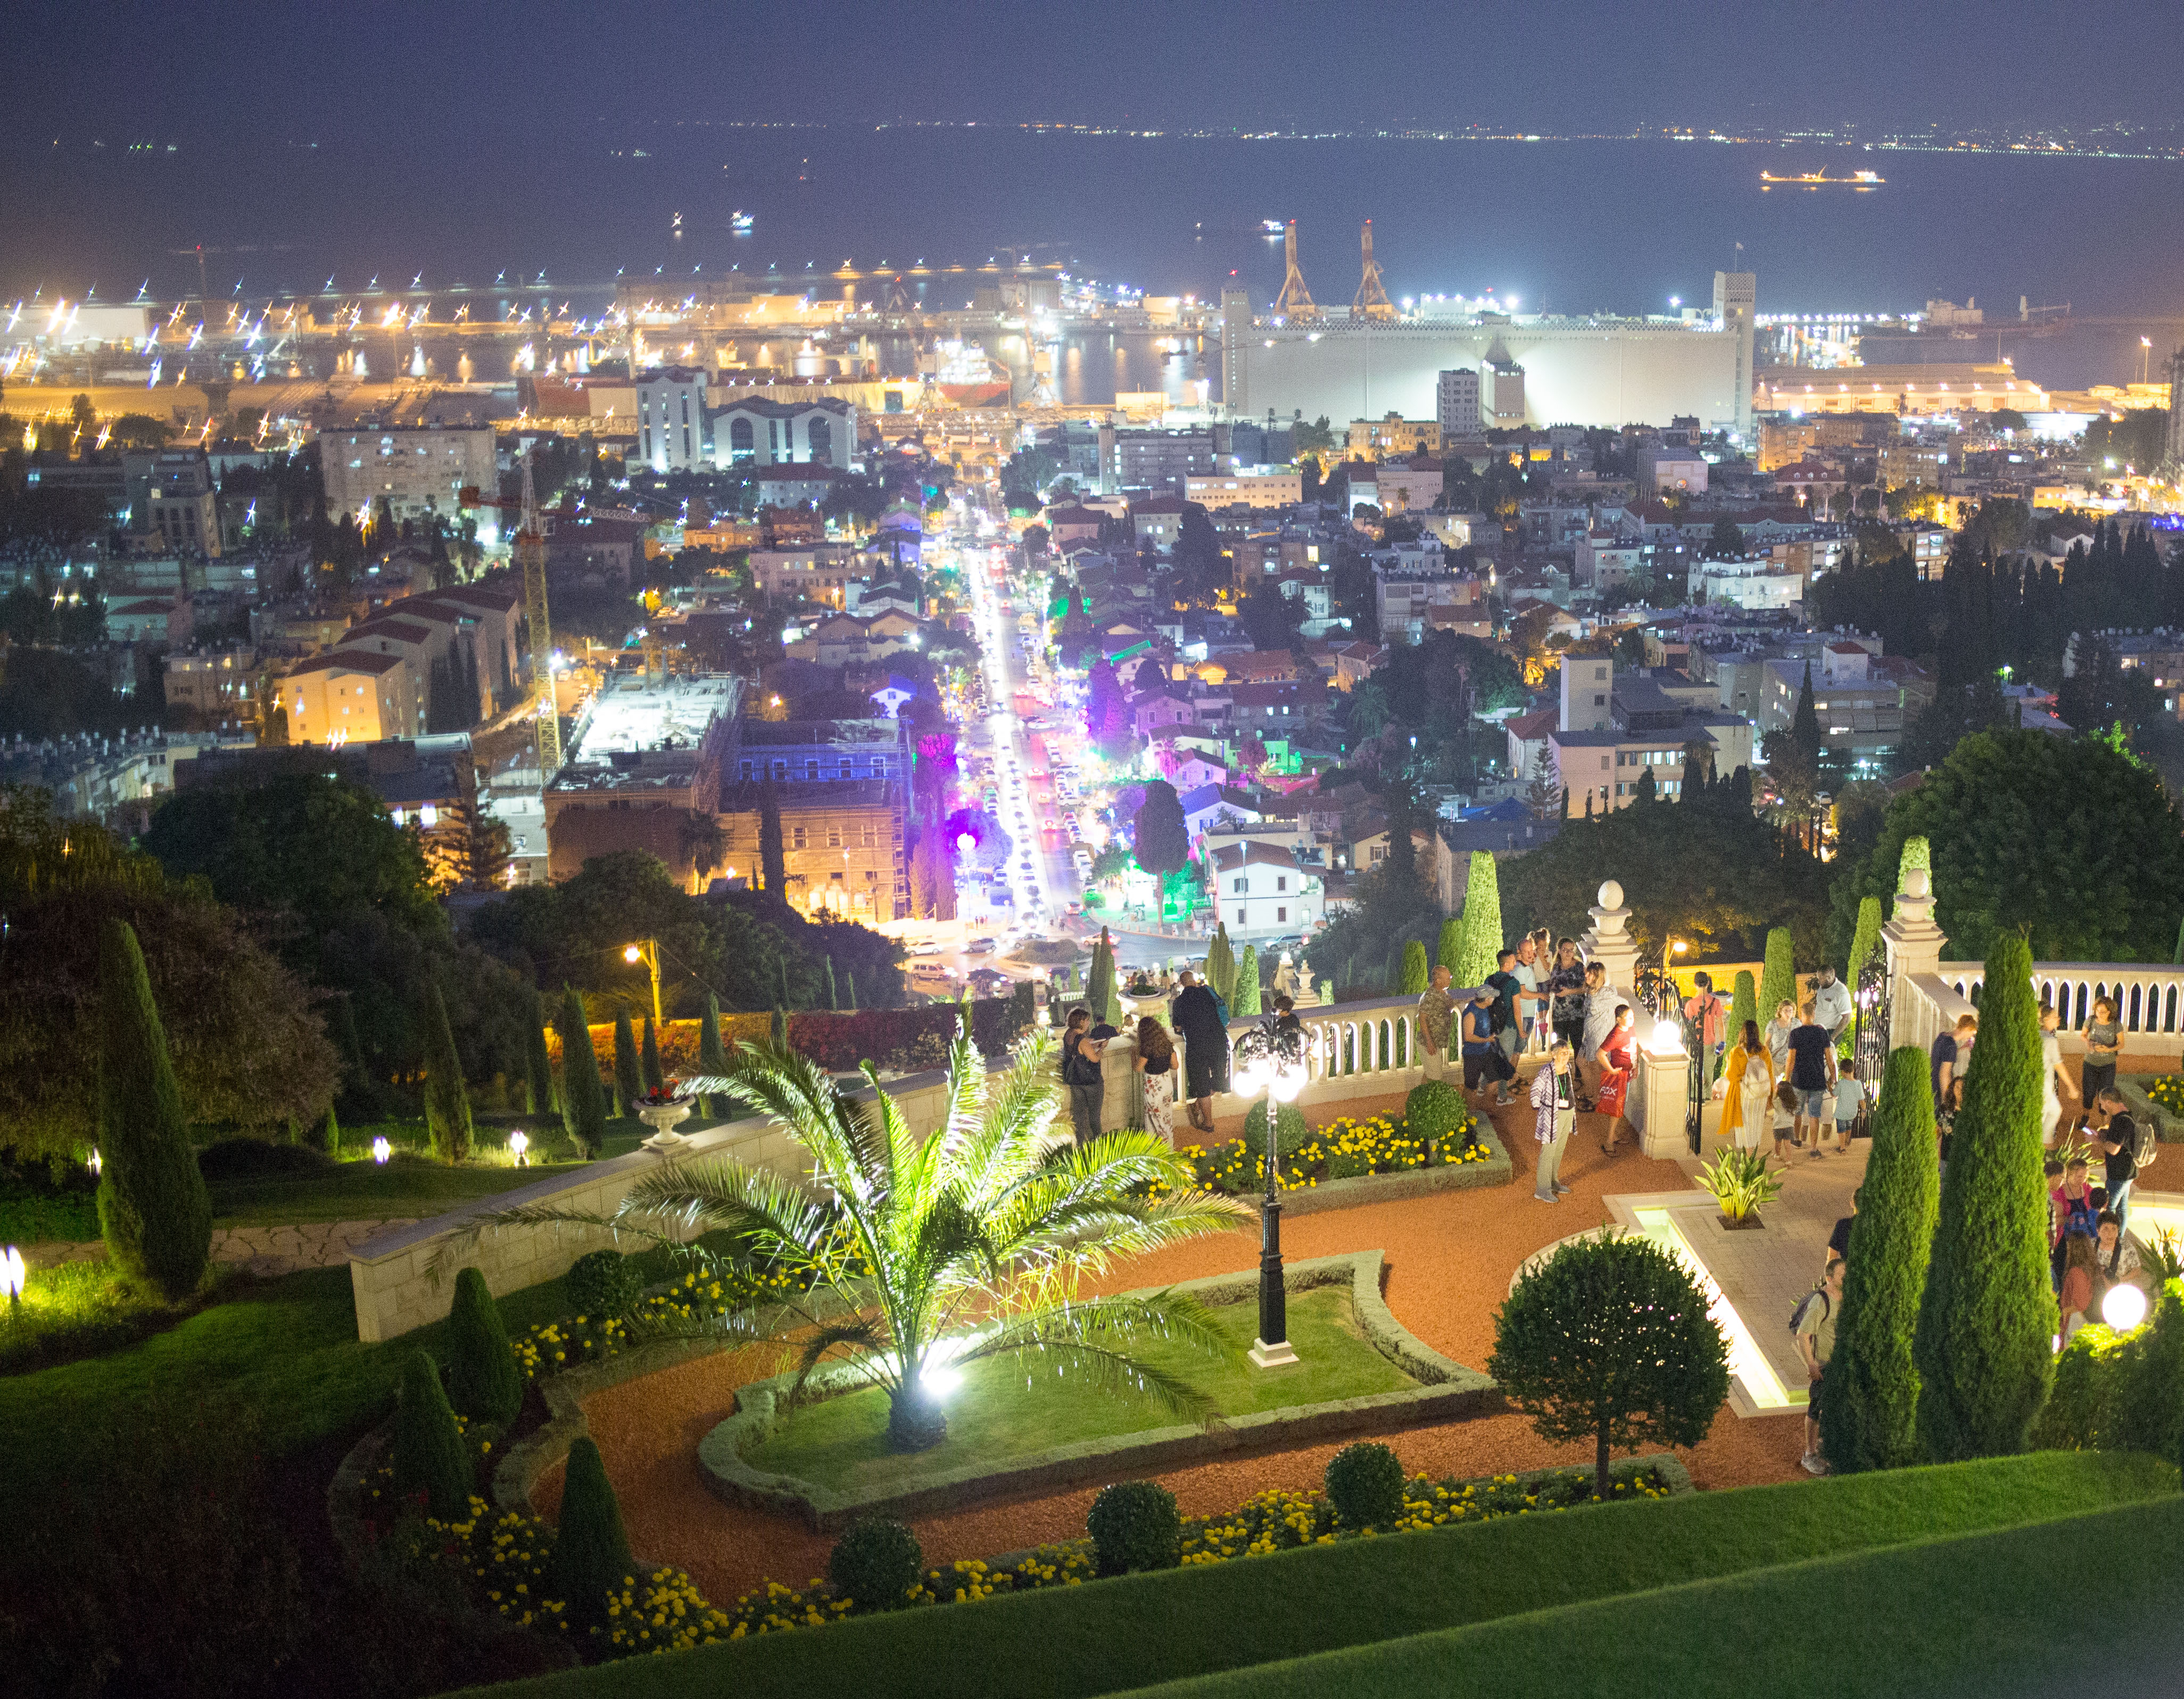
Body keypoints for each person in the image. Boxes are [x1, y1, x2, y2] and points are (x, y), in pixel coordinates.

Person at [1793, 1256, 1844, 1475]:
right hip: (1825, 1365)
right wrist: (1812, 1364)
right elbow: (1803, 1335)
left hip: (1842, 1362)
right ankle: (1810, 1454)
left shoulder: (1846, 1298)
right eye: (1843, 1275)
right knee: (1816, 1409)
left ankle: (1827, 1450)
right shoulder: (1821, 1302)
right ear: (1829, 1278)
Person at [1169, 969, 1229, 1135]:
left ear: (1181, 984)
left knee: (1201, 1083)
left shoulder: (1180, 1002)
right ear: (1195, 981)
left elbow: (1178, 1026)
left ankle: (1208, 1122)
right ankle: (1200, 1105)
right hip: (1218, 1041)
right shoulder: (1207, 992)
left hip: (1197, 1046)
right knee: (1217, 1080)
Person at [1784, 1000, 1838, 1159]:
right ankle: (1814, 1149)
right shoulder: (1822, 1033)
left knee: (1798, 1111)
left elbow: (1791, 1060)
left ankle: (1797, 1140)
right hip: (1817, 1079)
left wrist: (1787, 1080)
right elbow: (1829, 1058)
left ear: (1801, 1016)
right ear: (1814, 1015)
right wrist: (1833, 1078)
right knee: (1815, 1115)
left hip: (1799, 1079)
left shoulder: (1795, 1034)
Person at [1529, 1038, 1577, 1203]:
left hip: (1567, 1112)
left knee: (1559, 1149)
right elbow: (1535, 1090)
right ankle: (1542, 1190)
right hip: (1552, 1115)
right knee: (1548, 1151)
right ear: (1554, 1055)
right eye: (1563, 1053)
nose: (1566, 1056)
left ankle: (1553, 1182)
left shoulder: (1568, 1068)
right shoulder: (1546, 1071)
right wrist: (1540, 1107)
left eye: (1567, 1053)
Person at [1719, 1018, 1776, 1153]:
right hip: (1760, 1096)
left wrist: (1729, 1063)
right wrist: (1771, 1097)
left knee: (1744, 1126)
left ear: (1742, 1033)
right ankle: (1752, 1156)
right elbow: (1770, 1074)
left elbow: (1732, 1076)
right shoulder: (1764, 1051)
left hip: (1744, 1095)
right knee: (1756, 1126)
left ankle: (1748, 1159)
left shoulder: (1737, 1052)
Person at [2092, 1086, 2141, 1232]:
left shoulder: (2121, 1122)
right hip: (2127, 1172)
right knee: (2122, 1209)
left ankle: (2111, 1241)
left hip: (2119, 1174)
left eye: (2102, 1103)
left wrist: (2098, 1142)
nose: (2101, 1106)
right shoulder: (2123, 1115)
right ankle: (2119, 1239)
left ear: (2108, 1102)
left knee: (2110, 1209)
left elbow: (2114, 1149)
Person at [1461, 985, 1515, 1106]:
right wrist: (1487, 1039)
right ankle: (1466, 1112)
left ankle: (1482, 1107)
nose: (1494, 999)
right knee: (1470, 1087)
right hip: (1473, 1056)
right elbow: (1468, 1037)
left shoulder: (1484, 1008)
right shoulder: (1471, 1013)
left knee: (1495, 1078)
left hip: (1486, 1052)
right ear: (1486, 1000)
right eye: (1492, 997)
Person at [1594, 1004, 1637, 1156]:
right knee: (1617, 1108)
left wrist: (1635, 1067)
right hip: (1620, 1075)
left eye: (1633, 1016)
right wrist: (1611, 1070)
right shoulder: (1615, 1035)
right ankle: (1609, 1141)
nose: (1632, 1020)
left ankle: (1613, 1136)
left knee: (1620, 1106)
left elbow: (1633, 1048)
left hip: (1628, 1073)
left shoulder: (1630, 1029)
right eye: (1629, 1017)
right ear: (1619, 1020)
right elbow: (1600, 1054)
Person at [1061, 1008, 1106, 1144]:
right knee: (1094, 1115)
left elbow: (1078, 1051)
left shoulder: (1068, 1034)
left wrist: (1090, 1043)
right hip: (1090, 1082)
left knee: (1079, 1115)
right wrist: (1102, 1049)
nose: (1088, 1023)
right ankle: (1098, 1143)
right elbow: (1094, 1059)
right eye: (1086, 1020)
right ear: (1081, 1021)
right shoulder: (1082, 1040)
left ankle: (1080, 1144)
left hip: (1075, 1081)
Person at [1579, 962, 1618, 1104]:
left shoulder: (1605, 994)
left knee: (1595, 1067)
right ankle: (1592, 1093)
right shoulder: (1591, 992)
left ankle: (1596, 1098)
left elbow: (1621, 1003)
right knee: (1581, 1062)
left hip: (1599, 1036)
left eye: (1590, 974)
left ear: (1598, 976)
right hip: (1590, 1035)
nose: (1586, 975)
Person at [1134, 1015, 1176, 1142]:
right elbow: (1176, 1066)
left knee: (1154, 1117)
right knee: (1167, 1116)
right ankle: (1169, 1145)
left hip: (1153, 1087)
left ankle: (1160, 1149)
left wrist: (1133, 1056)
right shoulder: (1167, 1045)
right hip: (1167, 1083)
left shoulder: (1147, 1048)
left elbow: (1138, 1068)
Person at [2092, 1210, 2145, 1311]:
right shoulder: (2091, 1245)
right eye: (2105, 1229)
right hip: (2096, 1293)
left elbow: (2137, 1270)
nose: (2110, 1234)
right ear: (2098, 1231)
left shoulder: (2126, 1246)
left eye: (2114, 1229)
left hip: (2120, 1293)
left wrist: (2121, 1280)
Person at [1485, 949, 1527, 1071]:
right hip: (1508, 1026)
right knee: (1505, 1062)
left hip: (1491, 1024)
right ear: (1506, 964)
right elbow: (1517, 1009)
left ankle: (1483, 1089)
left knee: (1490, 1059)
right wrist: (1521, 1030)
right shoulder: (1513, 983)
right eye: (1513, 961)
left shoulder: (1489, 980)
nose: (1515, 963)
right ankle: (1502, 1091)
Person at [1546, 938, 1590, 1058]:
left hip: (1576, 1012)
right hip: (1559, 1013)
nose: (1568, 953)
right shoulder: (1556, 967)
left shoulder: (1579, 967)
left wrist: (1569, 992)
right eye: (1565, 950)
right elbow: (1552, 984)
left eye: (1571, 950)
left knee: (1577, 1045)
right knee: (1561, 1045)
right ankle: (1562, 1071)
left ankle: (1579, 1074)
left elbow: (1585, 988)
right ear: (1559, 951)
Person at [1415, 964, 1457, 1083]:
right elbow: (1422, 1019)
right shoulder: (1430, 996)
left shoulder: (1442, 993)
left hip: (1436, 1042)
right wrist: (1429, 1042)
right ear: (1438, 980)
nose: (1450, 978)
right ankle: (1430, 1099)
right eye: (1448, 977)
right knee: (1435, 1078)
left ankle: (1421, 1097)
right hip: (1429, 1043)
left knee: (1431, 1073)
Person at [1931, 1012, 1977, 1120]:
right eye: (1972, 1033)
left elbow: (1942, 1056)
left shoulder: (1943, 1037)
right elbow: (1944, 1074)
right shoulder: (1951, 1046)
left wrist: (1959, 1050)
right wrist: (1947, 1101)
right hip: (1939, 1090)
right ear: (1967, 1028)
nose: (1970, 1037)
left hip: (1932, 1082)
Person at [2056, 1228, 2099, 1342]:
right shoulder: (2091, 1268)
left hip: (2077, 1322)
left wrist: (2064, 1312)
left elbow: (2080, 1305)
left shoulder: (2076, 1272)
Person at [2038, 1003, 2072, 1148]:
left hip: (2045, 1085)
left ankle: (2047, 1145)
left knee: (2055, 1110)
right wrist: (2071, 1087)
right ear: (2045, 1020)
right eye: (2054, 1017)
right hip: (2044, 1087)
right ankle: (2044, 1148)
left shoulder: (2040, 1036)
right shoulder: (2049, 1040)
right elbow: (2058, 1064)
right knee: (2045, 1116)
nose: (2058, 1020)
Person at [2081, 997, 2121, 1111]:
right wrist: (2088, 1042)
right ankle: (2086, 1115)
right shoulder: (2091, 1021)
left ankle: (2105, 1123)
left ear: (2110, 1012)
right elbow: (2083, 1035)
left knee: (2106, 1093)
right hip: (2090, 1063)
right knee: (2088, 1092)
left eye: (2103, 1012)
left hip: (2108, 1065)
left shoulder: (2116, 1024)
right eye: (2097, 1011)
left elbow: (2121, 1044)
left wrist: (2108, 1050)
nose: (2099, 1014)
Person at [1683, 971, 1727, 1069]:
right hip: (1709, 1043)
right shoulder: (1715, 1002)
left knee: (1693, 1077)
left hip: (1695, 1043)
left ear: (1695, 984)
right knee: (1708, 1078)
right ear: (1708, 983)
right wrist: (1722, 1043)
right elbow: (1720, 1023)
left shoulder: (1690, 1004)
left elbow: (1686, 1026)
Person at [1512, 935, 1548, 1053]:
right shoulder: (1519, 969)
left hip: (1529, 1013)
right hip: (1522, 1015)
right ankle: (1510, 1071)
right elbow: (1522, 993)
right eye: (1526, 951)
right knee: (1517, 1049)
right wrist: (1540, 995)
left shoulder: (1527, 966)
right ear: (1519, 952)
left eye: (1531, 951)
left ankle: (1512, 1071)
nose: (1530, 954)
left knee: (1519, 1049)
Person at [1809, 964, 1853, 1046]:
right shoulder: (1824, 986)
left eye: (1820, 979)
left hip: (1829, 1032)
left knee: (1824, 1058)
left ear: (1829, 978)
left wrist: (1833, 1037)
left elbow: (1847, 1018)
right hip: (1818, 1030)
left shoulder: (1841, 992)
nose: (1818, 981)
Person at [1830, 1068, 1862, 1156]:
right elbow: (1861, 1098)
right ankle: (1846, 1142)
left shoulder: (1841, 1083)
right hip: (1852, 1112)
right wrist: (1864, 1110)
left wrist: (1829, 1087)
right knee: (1849, 1127)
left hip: (1841, 1112)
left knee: (1841, 1130)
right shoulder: (1858, 1084)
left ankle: (1842, 1148)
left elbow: (1834, 1094)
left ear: (1843, 1072)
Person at [1764, 999, 1799, 1077]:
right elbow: (1767, 1042)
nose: (1789, 1013)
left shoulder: (1797, 1023)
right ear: (1780, 1011)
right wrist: (1767, 1058)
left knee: (1791, 1086)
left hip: (1791, 1061)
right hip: (1776, 1061)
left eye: (1791, 1011)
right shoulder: (1773, 1024)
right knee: (1774, 1084)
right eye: (1786, 1011)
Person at [1771, 1079, 1800, 1165]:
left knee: (1778, 1142)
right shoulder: (1793, 1103)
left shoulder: (1778, 1102)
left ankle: (1778, 1155)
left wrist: (1775, 1092)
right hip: (1789, 1126)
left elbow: (1773, 1100)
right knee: (1788, 1144)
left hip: (1778, 1126)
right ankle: (1789, 1160)